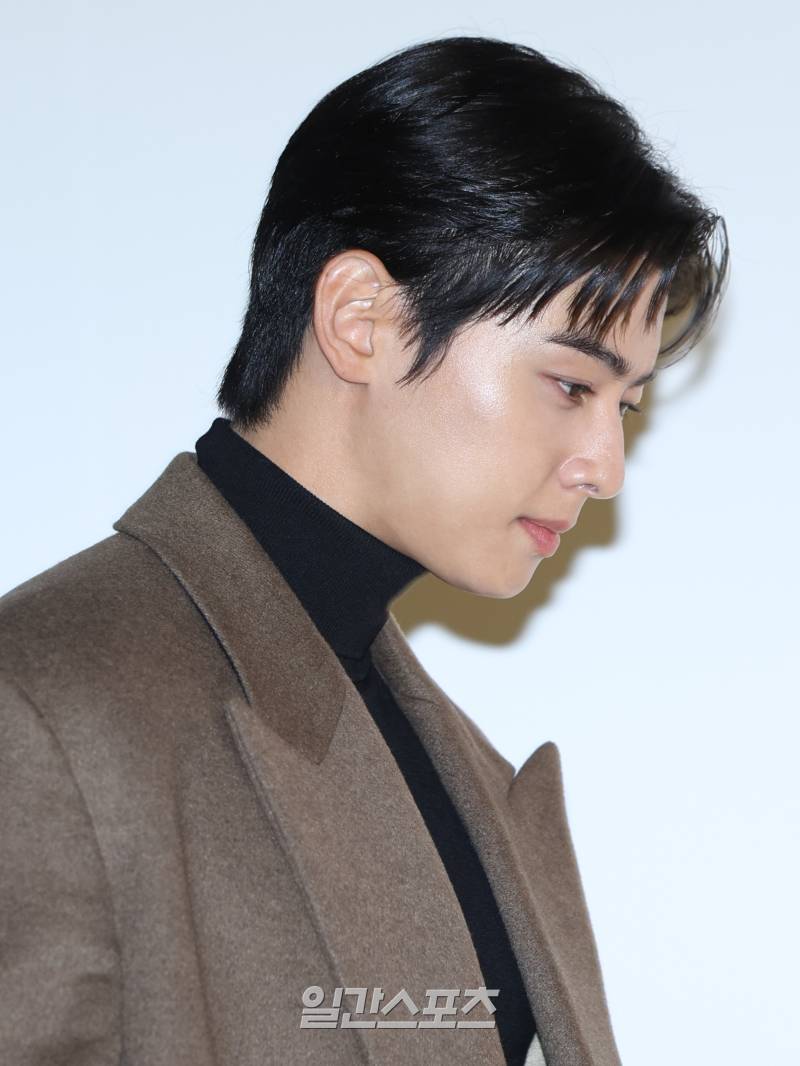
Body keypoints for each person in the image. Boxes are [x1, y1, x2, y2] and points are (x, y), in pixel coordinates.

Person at [0, 34, 728, 1066]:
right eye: (571, 385)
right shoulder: (42, 707)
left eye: (626, 406)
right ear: (359, 320)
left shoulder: (451, 758)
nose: (603, 466)